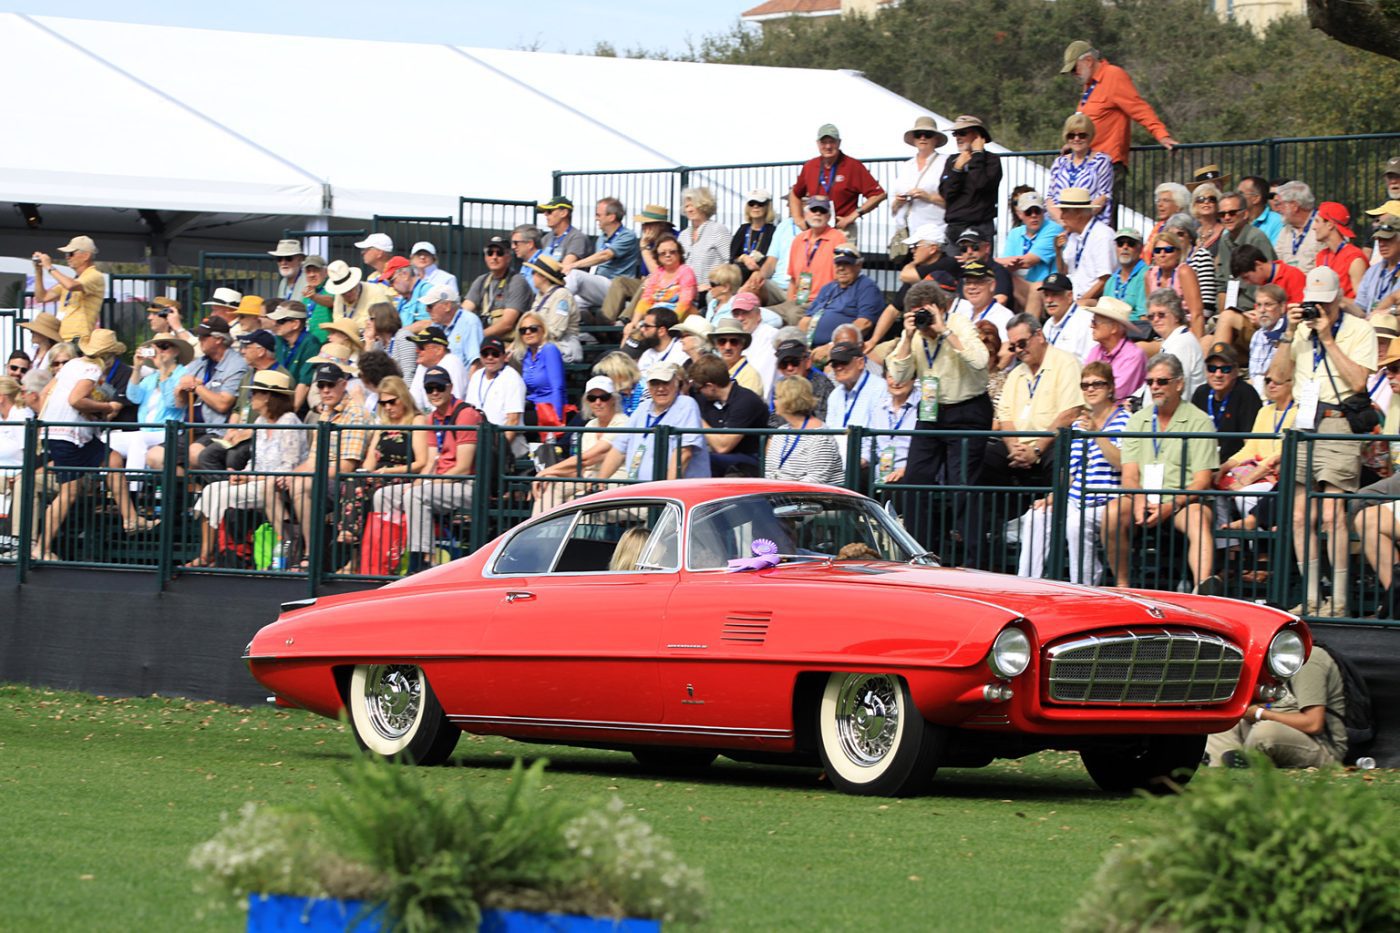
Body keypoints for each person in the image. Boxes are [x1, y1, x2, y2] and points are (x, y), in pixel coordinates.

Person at [1268, 266, 1378, 617]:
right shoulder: (1299, 330)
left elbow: (1359, 382)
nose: (1319, 310)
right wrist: (1287, 332)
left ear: (1338, 300)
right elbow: (1279, 376)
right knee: (1300, 517)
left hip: (1338, 422)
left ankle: (1341, 601)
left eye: (1325, 304)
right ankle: (1314, 598)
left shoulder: (1360, 330)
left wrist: (1328, 338)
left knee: (1332, 515)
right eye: (1312, 303)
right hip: (1303, 424)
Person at [1103, 353, 1221, 593]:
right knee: (1112, 513)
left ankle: (1203, 588)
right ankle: (1123, 587)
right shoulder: (1137, 421)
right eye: (1150, 382)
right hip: (1143, 499)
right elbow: (1130, 475)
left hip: (1184, 501)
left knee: (1198, 518)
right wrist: (1137, 499)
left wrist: (1172, 505)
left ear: (1179, 384)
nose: (1155, 387)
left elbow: (1202, 481)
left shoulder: (1199, 421)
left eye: (1162, 381)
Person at [1018, 360, 1130, 584]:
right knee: (1035, 517)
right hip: (1075, 497)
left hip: (1107, 498)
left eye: (1097, 384)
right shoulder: (1079, 425)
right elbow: (1070, 470)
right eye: (1085, 385)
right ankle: (1028, 583)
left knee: (1076, 523)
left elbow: (1122, 463)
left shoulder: (1126, 421)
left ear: (1110, 388)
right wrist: (1053, 496)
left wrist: (1097, 434)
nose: (1090, 389)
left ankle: (1084, 584)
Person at [184, 370, 306, 568]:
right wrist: (242, 475)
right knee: (211, 490)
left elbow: (288, 466)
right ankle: (206, 554)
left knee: (223, 497)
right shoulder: (260, 422)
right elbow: (255, 460)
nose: (251, 399)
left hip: (276, 486)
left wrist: (250, 479)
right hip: (257, 480)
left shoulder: (289, 421)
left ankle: (213, 555)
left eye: (255, 393)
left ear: (268, 397)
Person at [885, 280, 991, 497]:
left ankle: (965, 532)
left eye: (925, 313)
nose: (922, 320)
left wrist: (944, 330)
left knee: (961, 485)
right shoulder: (914, 334)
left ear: (941, 309)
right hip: (930, 409)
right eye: (916, 315)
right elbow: (899, 376)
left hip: (967, 410)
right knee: (915, 478)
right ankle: (915, 531)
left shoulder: (959, 324)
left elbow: (981, 361)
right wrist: (907, 338)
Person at [29, 329, 127, 560]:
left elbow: (46, 394)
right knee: (69, 492)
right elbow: (75, 400)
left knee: (111, 458)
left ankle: (130, 517)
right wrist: (106, 408)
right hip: (69, 435)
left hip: (67, 433)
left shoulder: (73, 365)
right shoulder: (92, 368)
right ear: (109, 353)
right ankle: (41, 549)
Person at [275, 360, 371, 562]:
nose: (325, 390)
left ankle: (311, 554)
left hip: (347, 483)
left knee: (302, 484)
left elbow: (346, 467)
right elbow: (312, 459)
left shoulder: (355, 413)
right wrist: (289, 475)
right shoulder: (326, 413)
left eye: (330, 385)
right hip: (323, 477)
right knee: (270, 484)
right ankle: (286, 546)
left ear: (343, 384)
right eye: (321, 386)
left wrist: (305, 475)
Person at [334, 375, 429, 569]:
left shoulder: (417, 421)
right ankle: (353, 544)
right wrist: (365, 472)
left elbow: (421, 462)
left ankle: (355, 551)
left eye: (392, 402)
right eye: (383, 403)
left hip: (403, 475)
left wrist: (390, 470)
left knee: (365, 492)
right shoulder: (383, 423)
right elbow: (371, 459)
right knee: (354, 482)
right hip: (380, 475)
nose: (387, 407)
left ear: (402, 398)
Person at [1060, 39, 1176, 192]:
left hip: (1107, 165)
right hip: (1085, 164)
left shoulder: (1113, 76)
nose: (1074, 74)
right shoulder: (1089, 85)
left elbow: (1139, 108)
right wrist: (1073, 145)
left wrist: (1161, 135)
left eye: (1075, 68)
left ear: (1088, 61)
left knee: (1104, 214)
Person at [1205, 645, 1347, 769]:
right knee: (1220, 723)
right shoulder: (1268, 658)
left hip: (1323, 748)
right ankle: (1223, 778)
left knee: (1265, 732)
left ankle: (1248, 773)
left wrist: (1260, 713)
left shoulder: (1308, 660)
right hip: (1270, 734)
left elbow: (1313, 724)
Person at [532, 375, 629, 515]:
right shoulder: (590, 425)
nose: (598, 402)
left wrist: (545, 471)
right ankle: (539, 534)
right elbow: (583, 467)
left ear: (613, 399)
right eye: (592, 398)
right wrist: (551, 475)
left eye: (604, 397)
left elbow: (588, 458)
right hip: (588, 480)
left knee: (576, 500)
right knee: (550, 485)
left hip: (614, 482)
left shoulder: (623, 423)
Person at [597, 362, 710, 481]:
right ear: (648, 386)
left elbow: (684, 453)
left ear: (676, 383)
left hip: (676, 492)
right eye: (655, 383)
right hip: (641, 490)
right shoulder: (642, 408)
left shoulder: (686, 404)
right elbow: (619, 449)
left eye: (665, 382)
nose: (660, 388)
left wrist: (665, 490)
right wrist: (600, 481)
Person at [1216, 366, 1294, 536]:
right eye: (1267, 381)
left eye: (1277, 381)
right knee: (1213, 487)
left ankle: (1261, 549)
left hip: (1274, 475)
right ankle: (1230, 546)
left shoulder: (1297, 412)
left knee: (1246, 496)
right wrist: (1224, 467)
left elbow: (1280, 454)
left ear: (1292, 383)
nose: (1271, 385)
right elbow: (1250, 448)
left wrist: (1248, 479)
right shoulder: (1265, 411)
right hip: (1256, 471)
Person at [788, 123, 886, 249]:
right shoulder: (810, 166)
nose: (828, 146)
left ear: (839, 143)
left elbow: (879, 194)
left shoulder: (852, 166)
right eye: (824, 142)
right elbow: (795, 193)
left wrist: (853, 216)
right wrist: (798, 219)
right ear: (818, 144)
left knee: (842, 267)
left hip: (842, 229)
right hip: (816, 228)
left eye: (832, 142)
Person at [114, 334, 191, 481]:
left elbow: (172, 402)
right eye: (155, 348)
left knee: (138, 439)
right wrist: (137, 368)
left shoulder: (183, 375)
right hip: (146, 431)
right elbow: (133, 397)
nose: (158, 351)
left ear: (176, 351)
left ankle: (134, 490)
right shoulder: (151, 378)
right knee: (106, 441)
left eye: (163, 347)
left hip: (169, 431)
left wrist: (164, 372)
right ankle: (108, 490)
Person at [179, 318, 249, 467]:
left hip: (216, 428)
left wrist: (197, 387)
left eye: (204, 337)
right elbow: (179, 402)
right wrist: (180, 388)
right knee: (155, 456)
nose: (200, 340)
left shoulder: (236, 365)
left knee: (195, 452)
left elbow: (223, 404)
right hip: (189, 426)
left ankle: (212, 488)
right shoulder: (200, 362)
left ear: (218, 339)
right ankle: (191, 489)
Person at [689, 354, 769, 477]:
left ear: (710, 386)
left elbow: (723, 447)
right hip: (724, 459)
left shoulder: (746, 401)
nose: (697, 392)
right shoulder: (705, 398)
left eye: (698, 388)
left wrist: (697, 418)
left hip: (750, 460)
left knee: (702, 461)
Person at [560, 197, 640, 320]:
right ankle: (588, 336)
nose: (596, 218)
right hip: (599, 286)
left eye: (598, 215)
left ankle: (553, 301)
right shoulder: (601, 237)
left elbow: (605, 255)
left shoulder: (627, 235)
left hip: (615, 289)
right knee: (572, 304)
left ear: (611, 217)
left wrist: (573, 265)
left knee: (575, 275)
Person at [801, 246, 882, 354]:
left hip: (840, 350)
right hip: (810, 347)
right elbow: (806, 320)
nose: (841, 268)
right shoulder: (827, 288)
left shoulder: (866, 287)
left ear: (858, 265)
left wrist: (831, 347)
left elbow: (864, 324)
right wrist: (801, 345)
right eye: (838, 264)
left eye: (846, 264)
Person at [765, 376, 843, 484]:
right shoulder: (781, 431)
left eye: (778, 397)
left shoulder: (820, 437)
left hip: (814, 498)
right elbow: (769, 470)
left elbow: (815, 480)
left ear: (789, 400)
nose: (774, 402)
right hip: (783, 495)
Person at [1192, 342, 1262, 462]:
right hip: (1204, 463)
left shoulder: (1246, 394)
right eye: (1212, 369)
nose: (1218, 374)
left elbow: (1250, 444)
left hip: (1235, 465)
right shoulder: (1201, 393)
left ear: (1235, 371)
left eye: (1225, 369)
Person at [824, 341, 889, 471]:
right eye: (835, 364)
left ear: (860, 363)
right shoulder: (835, 395)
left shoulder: (880, 388)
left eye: (844, 362)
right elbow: (829, 431)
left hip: (865, 464)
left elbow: (879, 435)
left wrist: (862, 460)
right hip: (836, 462)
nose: (838, 368)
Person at [938, 114, 1002, 243]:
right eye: (955, 134)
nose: (958, 138)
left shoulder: (992, 160)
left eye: (962, 133)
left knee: (980, 264)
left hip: (980, 227)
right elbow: (946, 193)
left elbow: (982, 184)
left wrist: (977, 155)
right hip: (954, 228)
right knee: (952, 263)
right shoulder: (952, 161)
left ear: (977, 136)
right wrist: (957, 169)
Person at [997, 191, 1062, 315]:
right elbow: (1006, 266)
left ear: (1043, 212)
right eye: (1028, 212)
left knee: (1036, 287)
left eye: (1037, 211)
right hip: (1023, 288)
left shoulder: (1053, 229)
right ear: (1019, 214)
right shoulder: (1015, 233)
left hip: (1049, 288)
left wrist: (991, 261)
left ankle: (1028, 331)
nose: (1034, 215)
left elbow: (1028, 261)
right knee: (999, 277)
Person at [1046, 112, 1114, 228]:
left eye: (1082, 135)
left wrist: (1078, 221)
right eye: (1071, 135)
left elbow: (1104, 196)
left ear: (1090, 136)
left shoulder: (1102, 161)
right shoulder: (1059, 162)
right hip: (1058, 224)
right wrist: (1062, 220)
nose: (1076, 139)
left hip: (1089, 225)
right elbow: (1050, 198)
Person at [464, 336, 527, 459]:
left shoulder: (512, 378)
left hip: (505, 444)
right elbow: (469, 412)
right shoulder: (476, 376)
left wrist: (498, 451)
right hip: (478, 440)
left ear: (504, 356)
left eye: (495, 354)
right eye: (485, 354)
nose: (490, 357)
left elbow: (513, 421)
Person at [1215, 191, 1277, 316]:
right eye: (1222, 214)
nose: (1227, 217)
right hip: (1232, 309)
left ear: (1245, 214)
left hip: (1256, 309)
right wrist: (1222, 315)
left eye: (1232, 213)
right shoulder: (1224, 240)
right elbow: (1222, 284)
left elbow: (1269, 281)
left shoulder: (1256, 238)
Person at [31, 235, 104, 341]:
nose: (67, 257)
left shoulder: (95, 275)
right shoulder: (72, 280)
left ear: (86, 256)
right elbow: (42, 297)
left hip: (79, 339)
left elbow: (71, 286)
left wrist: (49, 267)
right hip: (63, 337)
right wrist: (38, 270)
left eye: (71, 254)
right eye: (66, 254)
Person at [512, 311, 568, 441]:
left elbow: (558, 387)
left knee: (513, 422)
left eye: (533, 328)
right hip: (534, 408)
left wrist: (556, 420)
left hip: (550, 410)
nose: (528, 333)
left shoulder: (549, 350)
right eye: (523, 330)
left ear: (543, 330)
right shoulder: (525, 356)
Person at [464, 235, 531, 342]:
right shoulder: (481, 281)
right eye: (490, 253)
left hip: (507, 345)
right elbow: (464, 312)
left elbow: (507, 324)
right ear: (485, 257)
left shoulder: (517, 281)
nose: (494, 257)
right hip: (484, 341)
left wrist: (477, 336)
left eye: (499, 253)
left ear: (508, 257)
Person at [1054, 187, 1115, 301]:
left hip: (1093, 302)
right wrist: (1058, 252)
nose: (1061, 217)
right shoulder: (1073, 236)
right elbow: (1064, 273)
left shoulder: (1102, 235)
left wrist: (1079, 304)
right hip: (1074, 299)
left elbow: (1105, 279)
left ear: (1078, 213)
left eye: (1065, 211)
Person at [786, 196, 847, 311]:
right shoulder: (799, 239)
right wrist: (787, 305)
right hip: (797, 300)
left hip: (819, 303)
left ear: (829, 217)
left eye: (822, 211)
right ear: (806, 214)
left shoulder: (838, 239)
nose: (818, 214)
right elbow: (793, 279)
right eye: (814, 210)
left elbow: (841, 281)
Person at [890, 115, 949, 234]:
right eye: (918, 134)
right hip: (904, 232)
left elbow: (955, 202)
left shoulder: (946, 163)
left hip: (933, 233)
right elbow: (893, 208)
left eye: (928, 134)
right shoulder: (907, 166)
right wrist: (898, 202)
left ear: (936, 139)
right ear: (914, 139)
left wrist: (929, 197)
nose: (923, 138)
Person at [1142, 289, 1206, 398]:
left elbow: (1178, 393)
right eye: (1151, 317)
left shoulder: (1182, 344)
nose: (1156, 319)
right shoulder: (1173, 340)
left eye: (1161, 315)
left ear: (1176, 316)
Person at [521, 254, 582, 363]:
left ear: (543, 276)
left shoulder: (562, 295)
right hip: (540, 345)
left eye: (534, 273)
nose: (531, 276)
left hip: (563, 347)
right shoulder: (540, 295)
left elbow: (556, 331)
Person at [1144, 228, 1205, 338]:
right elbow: (1151, 312)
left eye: (1168, 249)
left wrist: (1197, 345)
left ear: (1178, 253)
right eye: (1158, 251)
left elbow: (1197, 314)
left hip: (1184, 331)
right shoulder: (1149, 275)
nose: (1162, 254)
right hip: (1159, 332)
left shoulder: (1184, 272)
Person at [1084, 298, 1147, 399]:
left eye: (1095, 322)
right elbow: (1084, 384)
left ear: (1114, 328)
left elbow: (1115, 393)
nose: (1091, 326)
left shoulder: (1133, 356)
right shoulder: (1095, 351)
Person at [679, 188, 730, 310]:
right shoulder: (683, 235)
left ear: (704, 206)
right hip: (685, 290)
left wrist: (713, 284)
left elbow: (729, 261)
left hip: (709, 291)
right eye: (686, 206)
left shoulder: (718, 230)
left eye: (693, 205)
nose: (689, 209)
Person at [768, 337, 834, 427]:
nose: (789, 368)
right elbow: (773, 422)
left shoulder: (822, 384)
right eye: (784, 364)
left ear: (807, 362)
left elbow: (821, 422)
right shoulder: (779, 386)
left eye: (795, 362)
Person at [632, 235, 697, 322]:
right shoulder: (657, 273)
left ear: (679, 253)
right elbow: (645, 300)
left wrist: (667, 324)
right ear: (657, 257)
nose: (668, 255)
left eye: (672, 252)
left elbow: (685, 302)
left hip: (679, 319)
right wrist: (633, 323)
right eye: (663, 253)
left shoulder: (686, 272)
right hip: (655, 318)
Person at [267, 301, 318, 411]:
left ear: (295, 324)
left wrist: (289, 414)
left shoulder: (311, 343)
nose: (275, 324)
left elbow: (304, 384)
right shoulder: (279, 340)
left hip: (299, 407)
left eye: (281, 321)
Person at [1312, 202, 1368, 300]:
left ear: (1330, 225)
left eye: (1317, 221)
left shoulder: (1354, 258)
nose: (1313, 227)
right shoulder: (1321, 256)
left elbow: (1362, 303)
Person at [407, 326, 468, 410]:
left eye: (421, 347)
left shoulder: (452, 363)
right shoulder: (423, 365)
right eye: (416, 346)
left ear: (439, 350)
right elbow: (413, 404)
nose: (416, 351)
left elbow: (452, 406)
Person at [730, 189, 778, 295]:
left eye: (760, 204)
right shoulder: (743, 229)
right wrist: (744, 258)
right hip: (739, 275)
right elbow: (732, 257)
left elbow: (772, 259)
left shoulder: (773, 231)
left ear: (767, 207)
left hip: (759, 277)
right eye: (752, 204)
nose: (755, 207)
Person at [1039, 273, 1095, 362]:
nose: (1049, 300)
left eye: (1055, 294)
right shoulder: (1048, 324)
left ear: (1069, 296)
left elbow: (1091, 361)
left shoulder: (1086, 320)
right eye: (1046, 295)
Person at [325, 260, 395, 328]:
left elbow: (386, 324)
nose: (347, 294)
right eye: (343, 293)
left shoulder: (375, 291)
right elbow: (338, 321)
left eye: (350, 289)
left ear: (356, 283)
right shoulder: (338, 296)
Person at [953, 230, 1014, 308]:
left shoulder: (998, 271)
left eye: (975, 247)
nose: (969, 252)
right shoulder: (963, 273)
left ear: (987, 248)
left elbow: (1001, 300)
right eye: (964, 249)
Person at [957, 260, 1015, 342]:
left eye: (978, 282)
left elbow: (1006, 352)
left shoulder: (1004, 317)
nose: (972, 287)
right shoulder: (959, 312)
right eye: (968, 282)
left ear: (992, 285)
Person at [1246, 284, 1290, 390]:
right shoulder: (1257, 335)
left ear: (1282, 307)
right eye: (1259, 305)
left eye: (1268, 304)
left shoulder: (1288, 334)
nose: (1262, 310)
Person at [1273, 181, 1322, 273]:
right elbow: (1277, 260)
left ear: (1294, 206)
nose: (1277, 208)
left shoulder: (1323, 225)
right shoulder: (1285, 230)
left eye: (1280, 204)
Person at [1232, 244, 1306, 305]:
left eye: (1247, 277)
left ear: (1258, 265)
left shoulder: (1293, 275)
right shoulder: (1263, 282)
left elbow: (1298, 308)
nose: (1247, 282)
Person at [708, 318, 764, 396]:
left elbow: (746, 406)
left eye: (734, 342)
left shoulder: (750, 376)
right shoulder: (713, 371)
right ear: (716, 345)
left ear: (742, 344)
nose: (728, 347)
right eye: (722, 341)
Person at [1356, 213, 1400, 314]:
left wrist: (1387, 311)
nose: (1382, 244)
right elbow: (1360, 308)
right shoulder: (1373, 271)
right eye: (1379, 239)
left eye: (1387, 239)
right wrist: (1342, 302)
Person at [536, 195, 590, 266]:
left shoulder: (577, 238)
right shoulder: (547, 238)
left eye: (549, 211)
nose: (545, 214)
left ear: (563, 213)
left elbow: (565, 267)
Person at [593, 351, 644, 416]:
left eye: (609, 374)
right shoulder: (614, 395)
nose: (607, 379)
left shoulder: (645, 389)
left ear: (621, 373)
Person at [1239, 175, 1285, 244]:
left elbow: (1273, 253)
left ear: (1256, 198)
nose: (1236, 198)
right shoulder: (1235, 220)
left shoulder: (1278, 222)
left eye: (1241, 194)